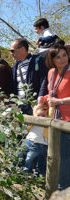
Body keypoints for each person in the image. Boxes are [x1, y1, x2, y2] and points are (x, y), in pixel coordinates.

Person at [44, 44, 70, 190]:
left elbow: (59, 98)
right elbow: (53, 93)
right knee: (56, 154)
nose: (62, 59)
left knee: (65, 157)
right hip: (55, 117)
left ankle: (63, 188)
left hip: (68, 120)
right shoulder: (51, 73)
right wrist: (45, 98)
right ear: (52, 60)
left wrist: (59, 101)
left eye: (64, 55)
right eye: (58, 57)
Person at [10, 38, 48, 115]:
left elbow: (45, 80)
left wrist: (39, 99)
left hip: (34, 105)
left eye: (12, 50)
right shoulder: (15, 66)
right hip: (20, 105)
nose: (11, 53)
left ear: (23, 49)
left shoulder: (38, 61)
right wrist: (14, 102)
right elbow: (14, 86)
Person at [19, 99, 48, 176]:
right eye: (39, 116)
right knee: (20, 154)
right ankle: (18, 171)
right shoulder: (34, 120)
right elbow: (35, 110)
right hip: (28, 140)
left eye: (43, 116)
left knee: (29, 159)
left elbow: (50, 113)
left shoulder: (47, 122)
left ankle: (25, 174)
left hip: (39, 144)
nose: (40, 118)